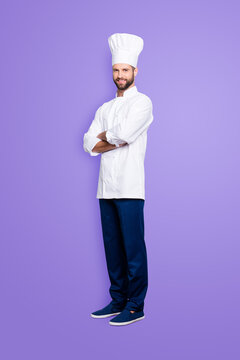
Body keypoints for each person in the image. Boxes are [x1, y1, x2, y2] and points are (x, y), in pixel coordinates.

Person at [83, 33, 154, 326]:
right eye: (116, 70)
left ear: (135, 72)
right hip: (105, 188)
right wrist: (109, 138)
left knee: (133, 249)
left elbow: (124, 134)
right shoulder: (104, 108)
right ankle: (118, 299)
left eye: (125, 70)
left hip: (129, 186)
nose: (120, 74)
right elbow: (88, 143)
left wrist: (110, 138)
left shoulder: (143, 103)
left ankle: (136, 305)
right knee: (112, 248)